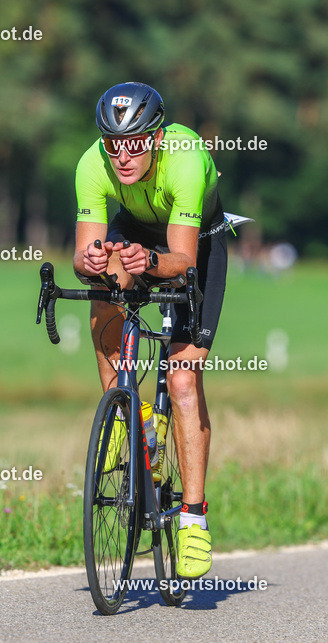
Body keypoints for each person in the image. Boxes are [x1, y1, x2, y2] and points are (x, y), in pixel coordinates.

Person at [72, 81, 229, 579]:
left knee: (182, 378)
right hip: (135, 228)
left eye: (135, 142)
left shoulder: (184, 157)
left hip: (196, 241)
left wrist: (151, 261)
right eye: (114, 143)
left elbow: (181, 262)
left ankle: (192, 520)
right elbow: (80, 257)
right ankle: (128, 418)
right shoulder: (90, 164)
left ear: (157, 137)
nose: (123, 155)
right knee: (103, 286)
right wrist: (92, 260)